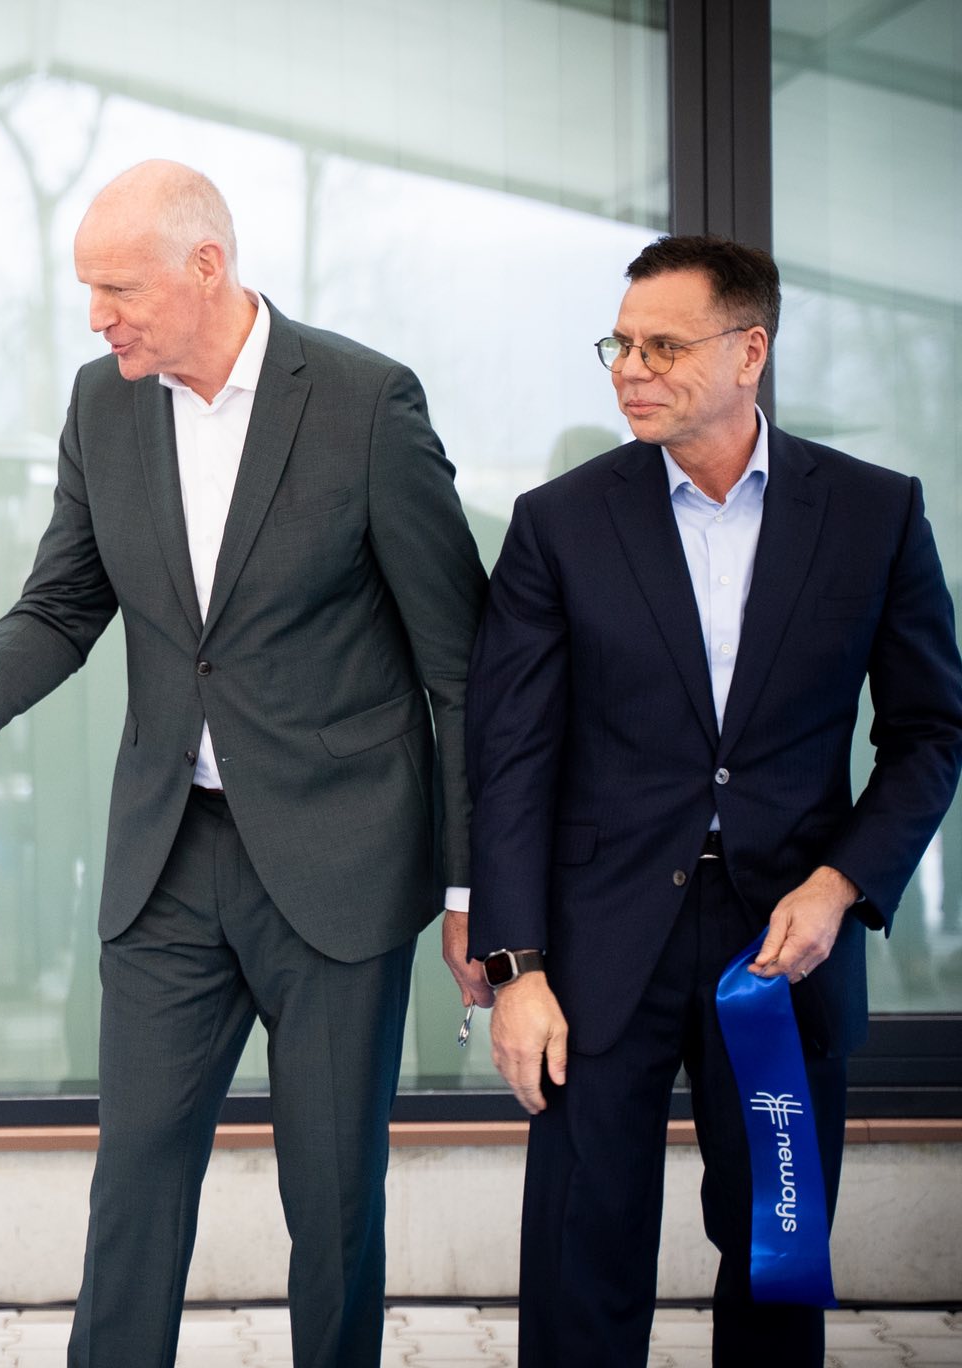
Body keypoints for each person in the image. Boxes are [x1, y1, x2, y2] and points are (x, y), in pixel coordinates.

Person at [0, 160, 487, 1368]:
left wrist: (474, 884)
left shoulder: (364, 402)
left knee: (332, 1203)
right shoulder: (102, 405)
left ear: (205, 267)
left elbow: (459, 666)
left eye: (116, 289)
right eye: (86, 290)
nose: (95, 317)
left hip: (340, 861)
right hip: (170, 858)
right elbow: (60, 605)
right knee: (135, 1186)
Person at [463, 235, 962, 1367]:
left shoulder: (873, 514)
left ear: (750, 351)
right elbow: (511, 760)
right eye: (619, 345)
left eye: (663, 346)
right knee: (579, 1265)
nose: (630, 369)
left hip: (786, 943)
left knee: (777, 1262)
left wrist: (841, 885)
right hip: (597, 950)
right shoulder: (558, 523)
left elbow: (929, 733)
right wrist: (517, 969)